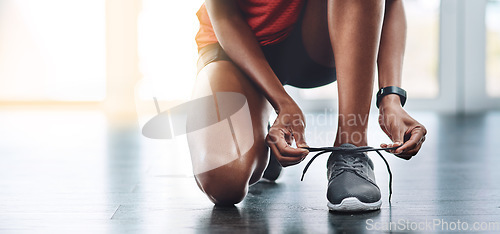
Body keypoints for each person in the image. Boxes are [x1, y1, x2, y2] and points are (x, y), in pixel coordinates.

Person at [190, 0, 427, 212]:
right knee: (224, 181)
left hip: (311, 39)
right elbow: (225, 17)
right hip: (236, 47)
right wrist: (282, 103)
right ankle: (260, 135)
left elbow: (392, 3)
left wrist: (391, 99)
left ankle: (351, 148)